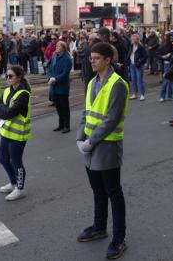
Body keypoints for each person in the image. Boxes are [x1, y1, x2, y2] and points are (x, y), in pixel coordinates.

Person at [75, 42, 129, 260]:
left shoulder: (118, 84)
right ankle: (99, 227)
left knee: (113, 193)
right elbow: (86, 112)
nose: (91, 60)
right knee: (97, 190)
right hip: (90, 145)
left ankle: (119, 239)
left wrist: (90, 142)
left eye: (96, 58)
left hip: (106, 146)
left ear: (108, 59)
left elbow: (111, 119)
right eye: (91, 57)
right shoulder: (92, 82)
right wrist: (80, 136)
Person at [0, 65, 31, 201]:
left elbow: (10, 112)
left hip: (18, 134)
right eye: (6, 76)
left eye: (11, 76)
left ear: (19, 77)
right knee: (3, 160)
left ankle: (20, 189)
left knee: (16, 161)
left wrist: (4, 109)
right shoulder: (6, 91)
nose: (7, 78)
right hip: (6, 131)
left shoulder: (23, 93)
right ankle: (13, 183)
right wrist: (5, 108)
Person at [48, 40, 73, 133]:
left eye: (58, 46)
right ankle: (61, 124)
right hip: (54, 85)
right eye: (56, 46)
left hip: (62, 86)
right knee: (58, 106)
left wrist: (55, 79)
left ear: (63, 48)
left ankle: (67, 125)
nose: (56, 48)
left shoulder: (67, 59)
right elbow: (49, 68)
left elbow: (65, 73)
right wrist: (50, 77)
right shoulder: (54, 56)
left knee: (64, 107)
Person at [127, 33, 148, 101]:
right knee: (133, 80)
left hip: (138, 65)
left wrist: (139, 62)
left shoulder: (141, 47)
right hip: (132, 65)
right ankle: (135, 94)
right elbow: (129, 53)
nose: (132, 40)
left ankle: (142, 94)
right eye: (132, 39)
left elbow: (145, 56)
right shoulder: (131, 45)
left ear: (137, 39)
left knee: (139, 80)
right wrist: (127, 60)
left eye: (134, 39)